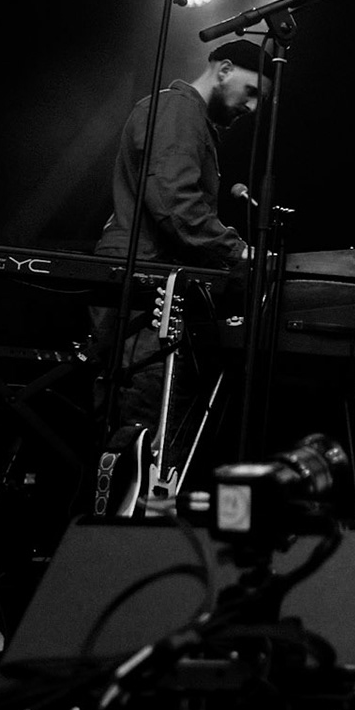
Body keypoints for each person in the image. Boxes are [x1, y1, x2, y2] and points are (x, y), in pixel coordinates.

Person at [90, 40, 265, 506]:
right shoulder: (177, 111)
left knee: (146, 425)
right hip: (142, 286)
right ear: (223, 68)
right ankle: (122, 541)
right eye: (250, 92)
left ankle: (128, 530)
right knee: (145, 425)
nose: (250, 107)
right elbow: (174, 205)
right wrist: (239, 252)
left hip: (149, 283)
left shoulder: (191, 121)